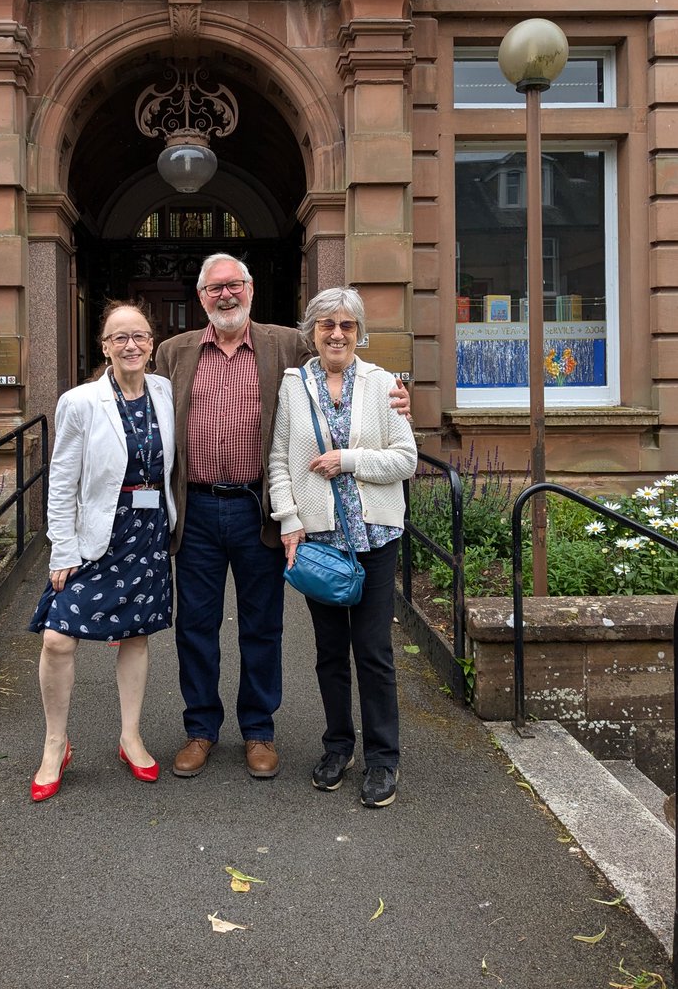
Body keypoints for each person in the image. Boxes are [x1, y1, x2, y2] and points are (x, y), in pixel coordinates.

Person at [155, 255, 410, 780]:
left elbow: (344, 355)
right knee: (196, 624)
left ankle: (258, 731)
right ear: (201, 296)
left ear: (250, 290)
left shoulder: (283, 344)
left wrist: (400, 394)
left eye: (235, 285)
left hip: (258, 507)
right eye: (214, 288)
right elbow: (141, 403)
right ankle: (200, 729)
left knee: (262, 625)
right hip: (198, 507)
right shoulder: (172, 352)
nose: (226, 295)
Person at [269, 286, 418, 808]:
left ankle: (383, 759)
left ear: (359, 332)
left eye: (347, 325)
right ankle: (338, 746)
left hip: (376, 539)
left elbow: (405, 460)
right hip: (320, 542)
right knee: (330, 653)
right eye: (327, 325)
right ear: (312, 332)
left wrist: (347, 460)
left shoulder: (383, 384)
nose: (337, 334)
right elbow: (280, 461)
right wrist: (289, 521)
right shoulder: (294, 385)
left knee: (373, 652)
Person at [27, 300, 176, 800]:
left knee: (136, 635)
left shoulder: (166, 392)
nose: (130, 345)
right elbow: (62, 480)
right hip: (98, 535)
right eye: (120, 338)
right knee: (57, 638)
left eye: (139, 336)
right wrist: (62, 550)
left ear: (151, 343)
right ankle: (55, 743)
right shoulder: (81, 401)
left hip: (149, 530)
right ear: (105, 346)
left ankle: (130, 736)